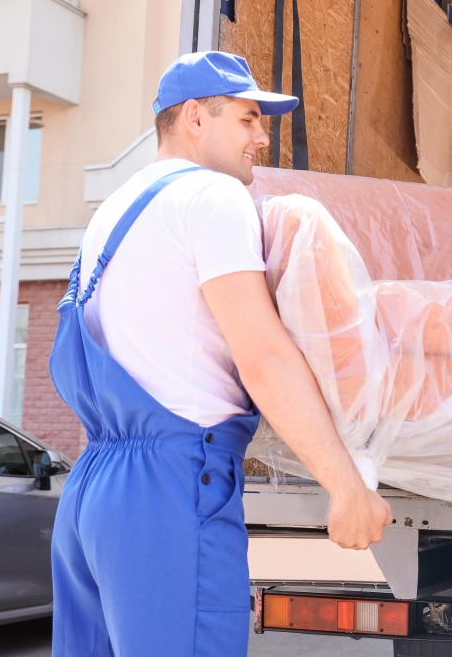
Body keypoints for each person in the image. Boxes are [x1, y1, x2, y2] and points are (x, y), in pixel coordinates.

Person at [48, 51, 392, 656]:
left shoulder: (113, 211)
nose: (262, 137)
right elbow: (263, 356)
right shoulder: (211, 198)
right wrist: (346, 486)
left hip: (94, 493)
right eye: (248, 119)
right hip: (171, 491)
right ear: (194, 118)